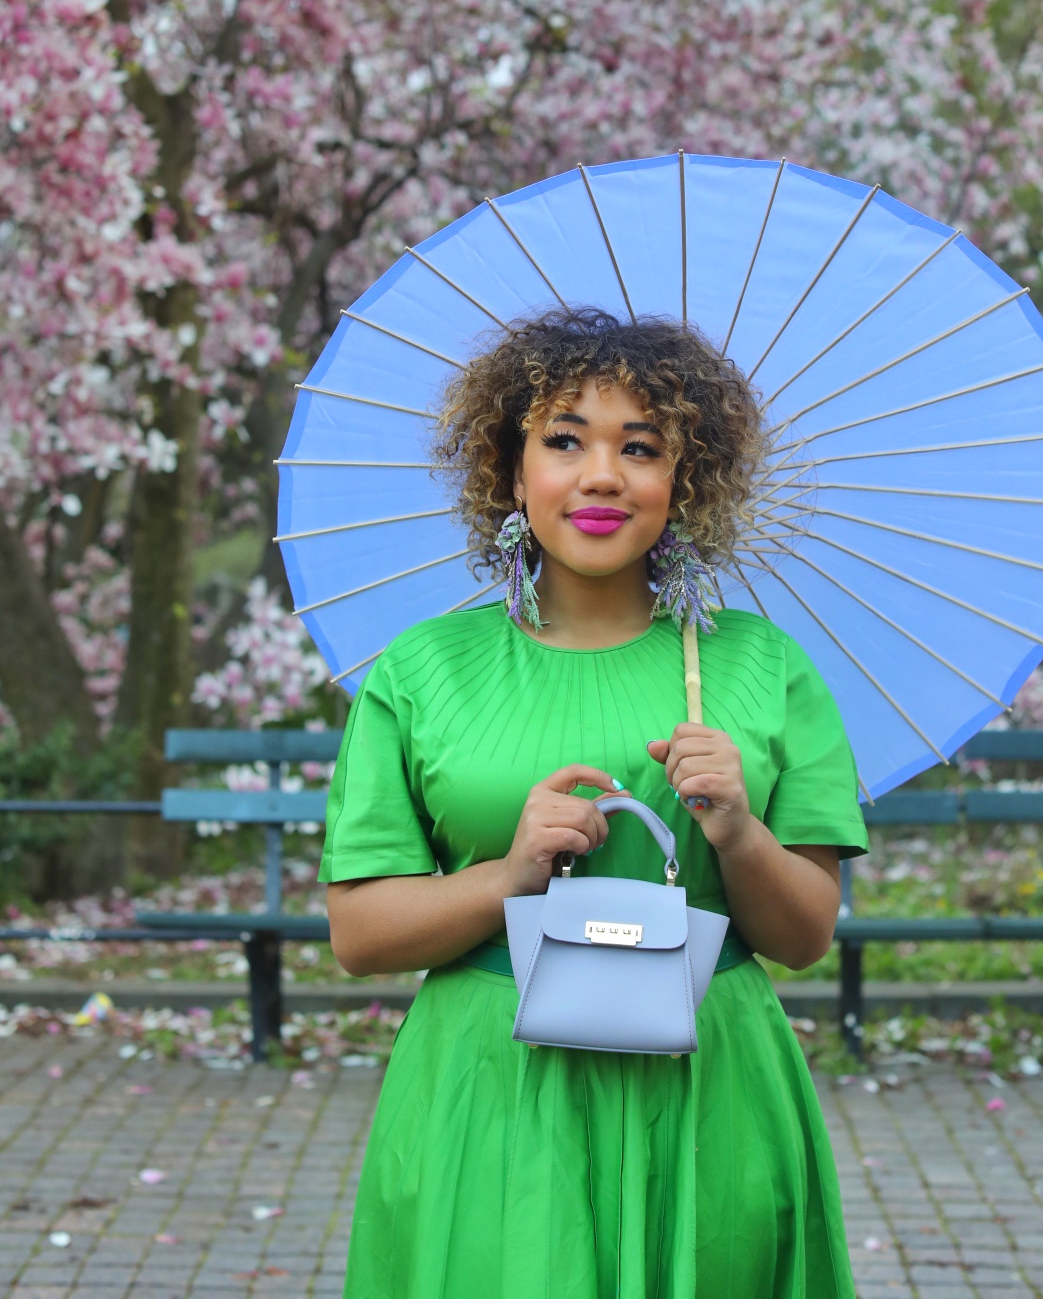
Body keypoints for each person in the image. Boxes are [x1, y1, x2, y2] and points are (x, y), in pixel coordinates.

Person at [322, 308, 868, 1299]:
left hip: (706, 1092)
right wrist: (509, 876)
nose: (601, 476)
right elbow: (359, 932)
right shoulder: (422, 672)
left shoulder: (759, 669)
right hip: (490, 1091)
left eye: (641, 447)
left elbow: (803, 935)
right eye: (563, 440)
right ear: (510, 463)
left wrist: (737, 833)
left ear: (685, 477)